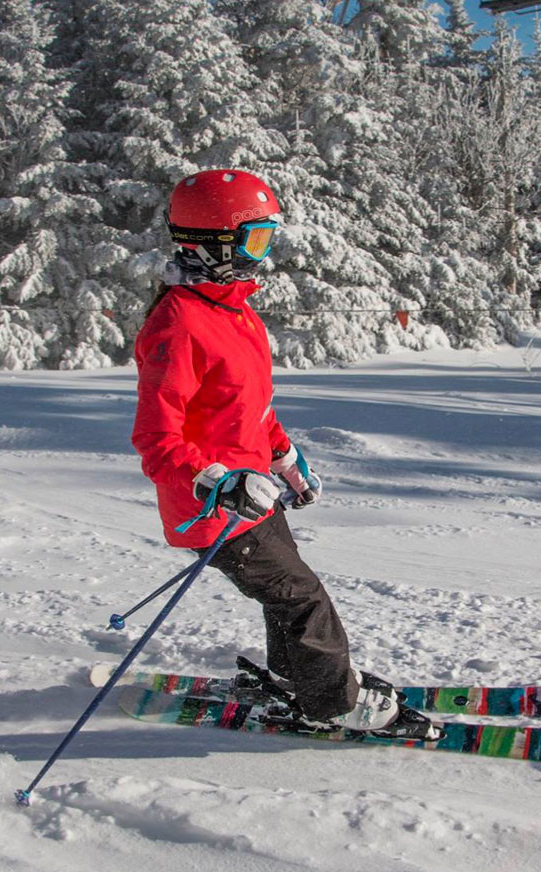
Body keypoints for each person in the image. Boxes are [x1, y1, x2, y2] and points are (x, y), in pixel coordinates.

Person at [131, 168, 428, 736]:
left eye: (268, 237)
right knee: (302, 599)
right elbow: (156, 439)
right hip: (213, 510)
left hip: (254, 498)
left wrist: (284, 459)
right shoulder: (178, 324)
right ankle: (333, 703)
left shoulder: (236, 312)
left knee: (288, 593)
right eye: (254, 239)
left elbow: (253, 409)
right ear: (214, 242)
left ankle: (296, 678)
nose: (262, 253)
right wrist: (217, 480)